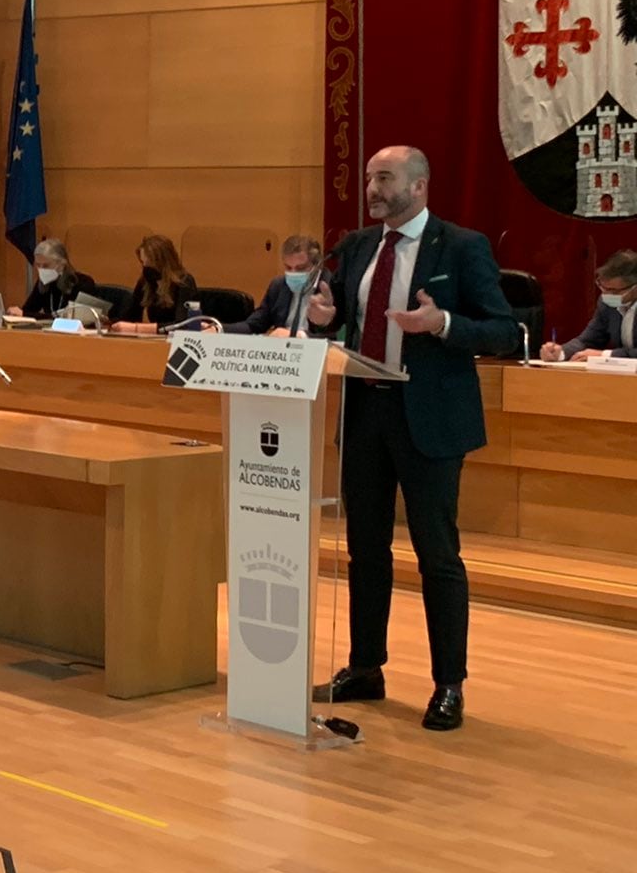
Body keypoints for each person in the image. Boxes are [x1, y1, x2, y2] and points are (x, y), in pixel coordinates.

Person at [308, 146, 516, 732]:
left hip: (429, 417)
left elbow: (504, 329)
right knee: (365, 550)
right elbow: (342, 314)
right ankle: (365, 668)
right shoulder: (356, 247)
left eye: (385, 178)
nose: (372, 188)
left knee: (437, 556)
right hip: (365, 412)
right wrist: (326, 318)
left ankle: (448, 685)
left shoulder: (462, 246)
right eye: (371, 177)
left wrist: (444, 324)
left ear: (419, 186)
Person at [538, 249, 637, 361]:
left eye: (614, 290)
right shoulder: (606, 303)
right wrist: (561, 352)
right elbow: (588, 340)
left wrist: (605, 355)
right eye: (603, 287)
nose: (606, 295)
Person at [230, 235, 324, 336]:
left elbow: (333, 334)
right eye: (288, 267)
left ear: (316, 265)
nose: (293, 273)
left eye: (300, 268)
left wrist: (300, 336)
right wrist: (219, 328)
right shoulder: (278, 285)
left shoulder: (331, 286)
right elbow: (254, 324)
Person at [110, 234, 197, 334]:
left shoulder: (185, 282)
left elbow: (184, 325)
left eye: (150, 263)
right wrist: (110, 322)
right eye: (143, 263)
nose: (146, 268)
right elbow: (130, 316)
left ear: (163, 262)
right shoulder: (145, 282)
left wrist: (138, 328)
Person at [8, 238, 85, 320]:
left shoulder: (81, 283)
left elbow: (69, 318)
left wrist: (25, 314)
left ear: (61, 265)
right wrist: (17, 314)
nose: (41, 270)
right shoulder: (43, 282)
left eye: (46, 266)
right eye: (38, 265)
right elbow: (28, 310)